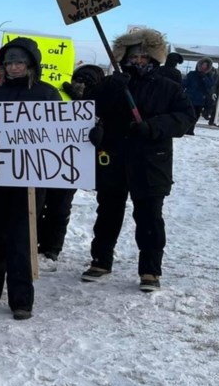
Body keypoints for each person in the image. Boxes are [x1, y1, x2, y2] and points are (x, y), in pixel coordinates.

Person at [80, 29, 193, 292]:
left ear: (154, 58)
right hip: (114, 158)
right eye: (134, 55)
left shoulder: (170, 88)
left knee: (150, 218)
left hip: (151, 162)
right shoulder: (112, 84)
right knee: (107, 213)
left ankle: (150, 271)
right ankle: (101, 260)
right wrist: (109, 90)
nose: (138, 60)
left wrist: (153, 127)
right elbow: (89, 108)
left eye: (144, 56)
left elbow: (185, 118)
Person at [0, 38, 61, 320]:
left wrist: (88, 136)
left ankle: (21, 300)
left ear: (31, 64)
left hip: (31, 181)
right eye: (9, 62)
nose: (13, 67)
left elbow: (62, 133)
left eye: (18, 62)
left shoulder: (47, 93)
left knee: (22, 238)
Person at [39, 64, 106, 263]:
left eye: (87, 82)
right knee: (40, 204)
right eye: (78, 80)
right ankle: (38, 240)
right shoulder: (56, 96)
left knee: (60, 208)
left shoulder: (101, 103)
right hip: (47, 158)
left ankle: (52, 246)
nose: (81, 85)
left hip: (72, 163)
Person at [182, 57, 216, 135]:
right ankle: (186, 129)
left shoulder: (209, 76)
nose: (204, 67)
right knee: (188, 115)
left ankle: (190, 129)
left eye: (206, 66)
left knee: (196, 116)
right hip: (190, 98)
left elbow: (210, 85)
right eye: (203, 65)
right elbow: (184, 83)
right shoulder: (192, 74)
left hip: (200, 100)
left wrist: (204, 77)